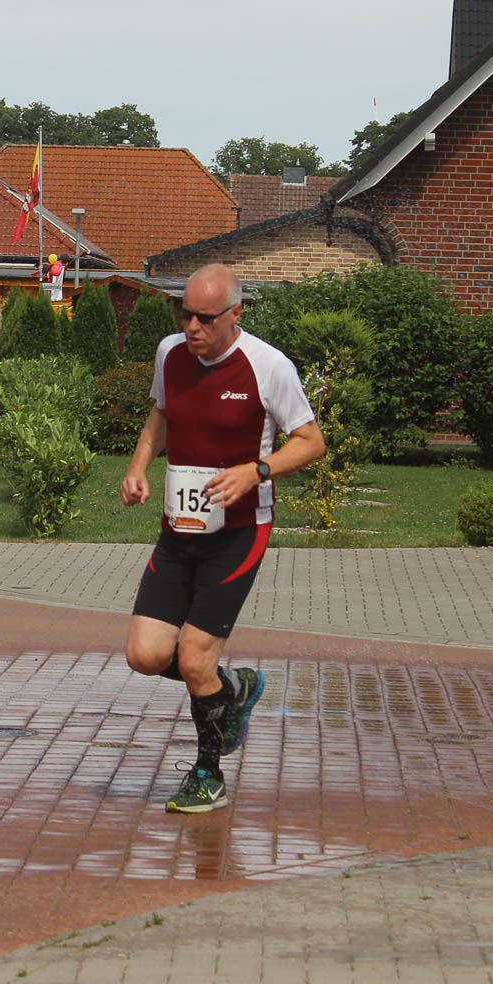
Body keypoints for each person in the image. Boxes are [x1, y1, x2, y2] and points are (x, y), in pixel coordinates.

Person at [119, 263, 326, 812]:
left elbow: (311, 441)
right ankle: (234, 688)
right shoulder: (170, 354)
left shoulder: (268, 366)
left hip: (237, 534)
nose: (192, 327)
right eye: (184, 313)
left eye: (206, 318)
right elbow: (160, 416)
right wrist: (138, 468)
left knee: (193, 659)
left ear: (235, 314)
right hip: (178, 531)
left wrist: (257, 471)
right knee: (144, 655)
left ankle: (208, 773)